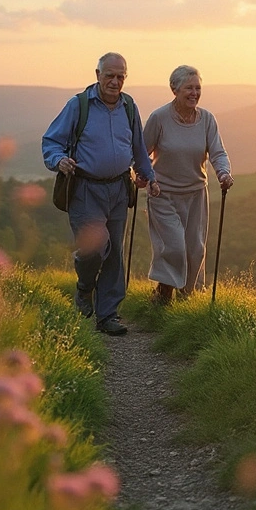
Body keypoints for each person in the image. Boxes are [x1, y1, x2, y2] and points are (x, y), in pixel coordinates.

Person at [42, 52, 159, 336]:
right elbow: (51, 141)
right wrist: (60, 160)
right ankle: (84, 288)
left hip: (120, 188)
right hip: (85, 189)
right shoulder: (78, 105)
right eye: (110, 75)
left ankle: (108, 315)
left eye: (121, 76)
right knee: (96, 246)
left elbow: (138, 148)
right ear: (97, 75)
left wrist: (149, 176)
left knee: (114, 252)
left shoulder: (129, 107)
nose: (115, 81)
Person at [144, 65, 233, 304]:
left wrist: (223, 173)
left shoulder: (207, 120)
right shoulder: (159, 118)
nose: (194, 93)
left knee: (195, 250)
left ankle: (187, 300)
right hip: (163, 193)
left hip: (195, 194)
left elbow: (217, 152)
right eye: (189, 88)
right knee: (174, 247)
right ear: (174, 89)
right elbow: (143, 153)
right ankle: (163, 296)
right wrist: (145, 177)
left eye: (198, 88)